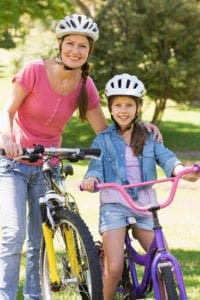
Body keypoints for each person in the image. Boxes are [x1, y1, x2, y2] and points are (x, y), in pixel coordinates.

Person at [0, 14, 162, 300]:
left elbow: (105, 130)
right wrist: (7, 139)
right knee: (13, 234)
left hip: (48, 165)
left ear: (89, 51)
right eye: (70, 44)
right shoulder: (34, 71)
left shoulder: (84, 85)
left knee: (40, 240)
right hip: (14, 162)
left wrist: (139, 126)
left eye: (82, 46)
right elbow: (7, 110)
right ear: (60, 45)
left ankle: (35, 296)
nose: (75, 51)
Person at [81, 73, 200, 300]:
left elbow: (167, 159)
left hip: (145, 207)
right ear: (110, 108)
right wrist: (92, 180)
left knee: (164, 262)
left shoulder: (148, 136)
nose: (123, 110)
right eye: (118, 105)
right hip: (115, 206)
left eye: (129, 105)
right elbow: (95, 167)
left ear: (138, 107)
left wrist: (182, 171)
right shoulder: (102, 140)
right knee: (114, 267)